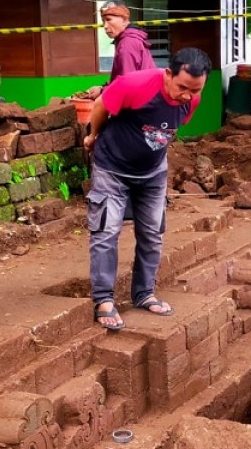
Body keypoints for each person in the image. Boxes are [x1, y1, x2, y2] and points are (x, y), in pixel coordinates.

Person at [84, 47, 210, 331]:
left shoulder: (192, 98)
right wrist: (92, 137)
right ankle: (103, 299)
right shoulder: (134, 85)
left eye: (195, 90)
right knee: (106, 231)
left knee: (152, 233)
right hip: (112, 168)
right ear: (168, 74)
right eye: (182, 88)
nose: (187, 96)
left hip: (153, 173)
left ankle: (143, 293)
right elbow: (101, 106)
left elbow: (165, 130)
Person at [88, 0, 156, 98]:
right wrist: (103, 87)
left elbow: (128, 85)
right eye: (103, 21)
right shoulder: (129, 38)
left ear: (124, 19)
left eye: (109, 19)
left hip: (141, 105)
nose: (105, 26)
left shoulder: (127, 43)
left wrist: (103, 92)